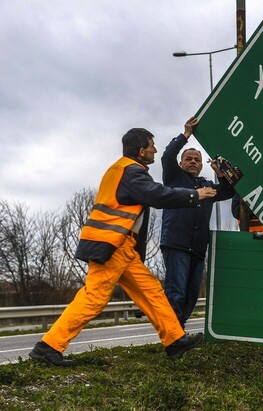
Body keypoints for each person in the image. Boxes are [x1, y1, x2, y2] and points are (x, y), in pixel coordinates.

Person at [29, 121, 210, 367]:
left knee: (152, 292)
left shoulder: (124, 169)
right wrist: (194, 195)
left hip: (123, 248)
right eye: (151, 146)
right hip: (111, 245)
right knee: (94, 298)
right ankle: (48, 347)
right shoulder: (131, 171)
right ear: (140, 150)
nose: (155, 150)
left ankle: (174, 340)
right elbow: (157, 195)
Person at [161, 116, 235, 330]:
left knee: (192, 292)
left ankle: (178, 330)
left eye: (197, 160)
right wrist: (185, 135)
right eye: (189, 159)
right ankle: (172, 334)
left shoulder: (208, 186)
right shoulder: (174, 178)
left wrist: (222, 175)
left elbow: (228, 191)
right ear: (182, 163)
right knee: (177, 290)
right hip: (176, 243)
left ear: (202, 165)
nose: (193, 162)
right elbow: (167, 156)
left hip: (198, 247)